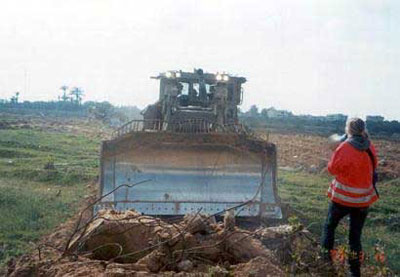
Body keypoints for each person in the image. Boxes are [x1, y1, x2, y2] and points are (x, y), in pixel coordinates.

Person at [322, 118, 379, 277]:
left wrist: (336, 152)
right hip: (363, 200)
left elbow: (332, 169)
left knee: (329, 227)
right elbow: (374, 167)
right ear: (363, 129)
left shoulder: (344, 147)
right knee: (355, 237)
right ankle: (354, 272)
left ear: (348, 130)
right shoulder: (370, 147)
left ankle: (325, 263)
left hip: (343, 198)